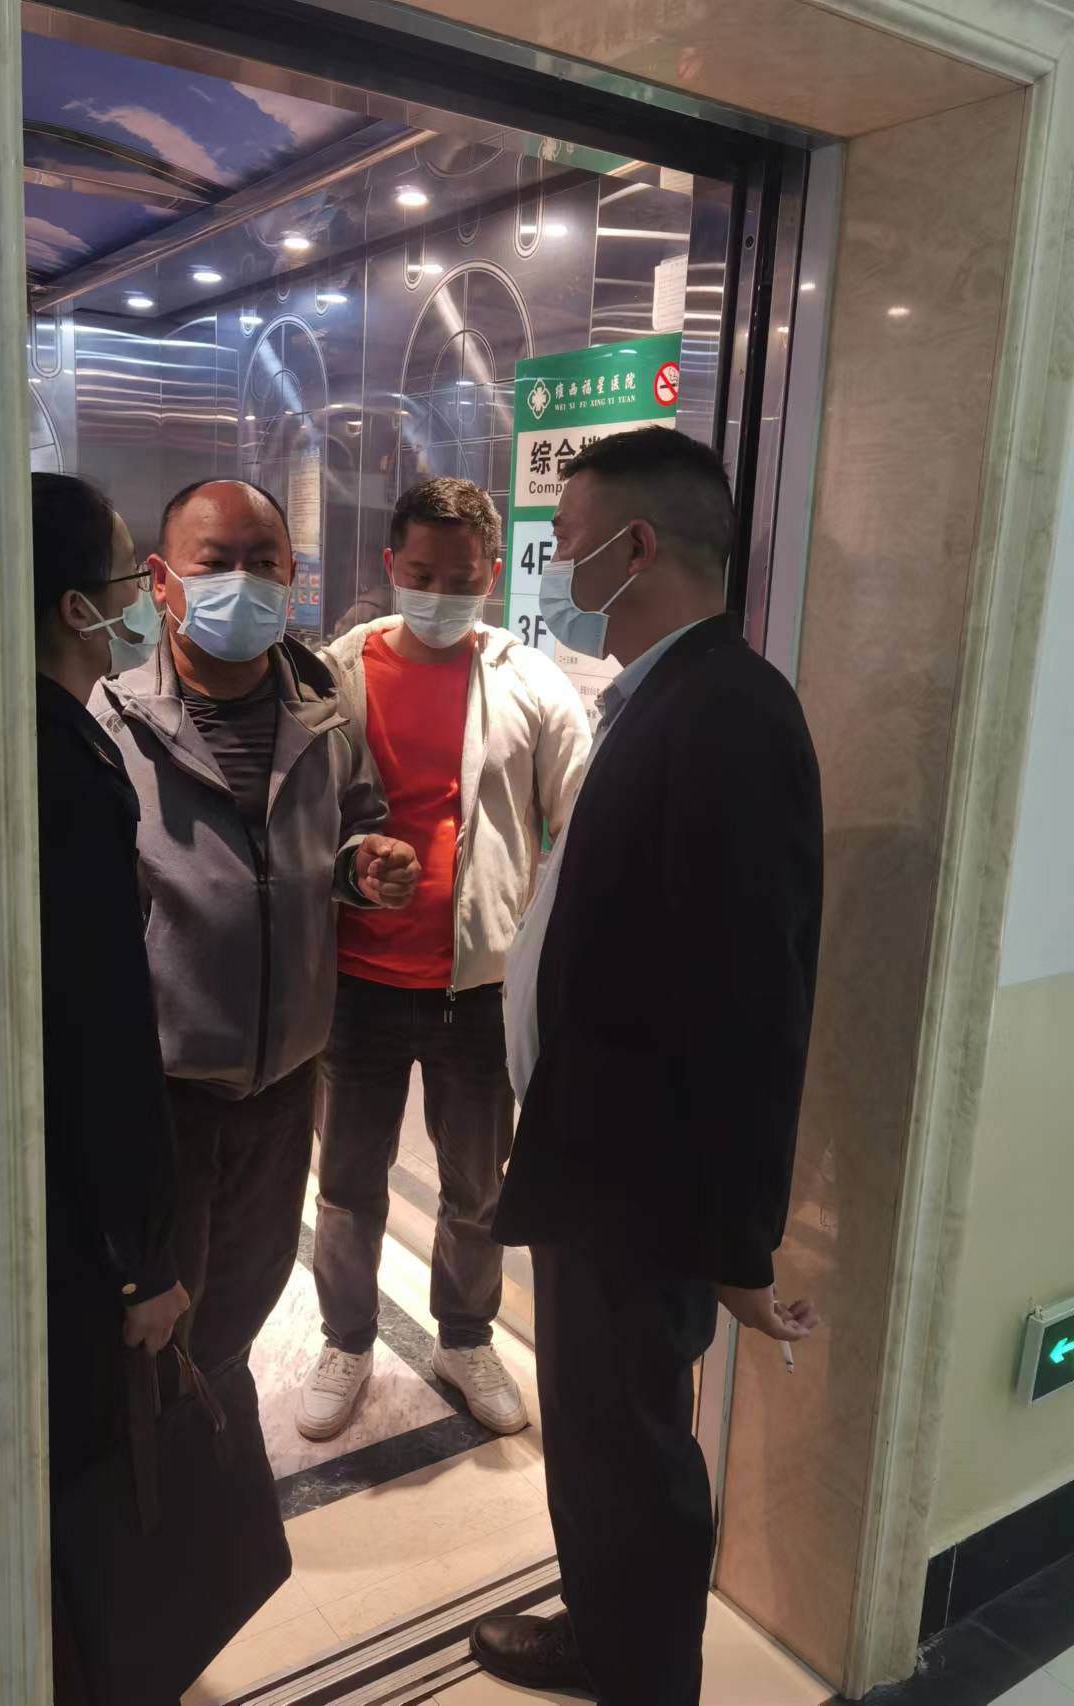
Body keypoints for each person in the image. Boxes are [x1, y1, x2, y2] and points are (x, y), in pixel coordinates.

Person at [469, 428, 824, 1706]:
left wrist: (737, 1243)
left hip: (641, 1184)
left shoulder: (729, 716)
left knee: (629, 1451)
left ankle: (643, 1676)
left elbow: (752, 1007)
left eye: (563, 544)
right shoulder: (658, 695)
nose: (550, 568)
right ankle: (609, 1630)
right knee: (597, 1444)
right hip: (593, 1156)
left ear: (633, 547)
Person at [90, 478, 419, 1384]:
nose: (243, 581)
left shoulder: (325, 710)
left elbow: (356, 822)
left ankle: (219, 1422)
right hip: (167, 1096)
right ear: (161, 580)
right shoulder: (109, 726)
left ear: (291, 574)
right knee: (158, 1328)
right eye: (216, 563)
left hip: (285, 1085)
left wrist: (362, 865)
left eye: (263, 562)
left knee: (244, 1302)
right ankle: (175, 1451)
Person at [298, 477, 590, 1440]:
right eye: (420, 574)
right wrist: (350, 869)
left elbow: (580, 824)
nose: (439, 593)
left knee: (478, 1186)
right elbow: (298, 823)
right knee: (348, 1183)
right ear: (391, 564)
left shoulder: (528, 682)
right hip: (358, 985)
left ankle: (465, 1338)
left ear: (491, 574)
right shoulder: (337, 675)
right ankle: (347, 1340)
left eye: (461, 579)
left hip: (481, 990)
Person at [33, 472, 188, 1703]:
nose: (148, 594)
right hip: (82, 1221)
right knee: (83, 1459)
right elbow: (101, 1033)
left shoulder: (37, 728)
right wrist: (143, 1259)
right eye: (133, 570)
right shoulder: (66, 760)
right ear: (77, 605)